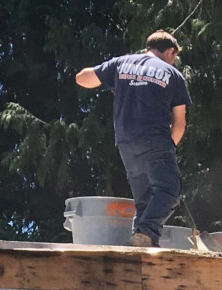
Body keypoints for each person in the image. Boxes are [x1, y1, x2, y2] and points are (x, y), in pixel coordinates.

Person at [74, 30, 192, 247]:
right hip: (156, 139)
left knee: (145, 200)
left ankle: (142, 243)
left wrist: (117, 82)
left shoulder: (121, 64)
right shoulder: (173, 75)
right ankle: (146, 232)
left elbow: (82, 78)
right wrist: (168, 147)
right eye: (174, 57)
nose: (174, 61)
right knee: (169, 190)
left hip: (126, 142)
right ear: (170, 51)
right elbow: (180, 122)